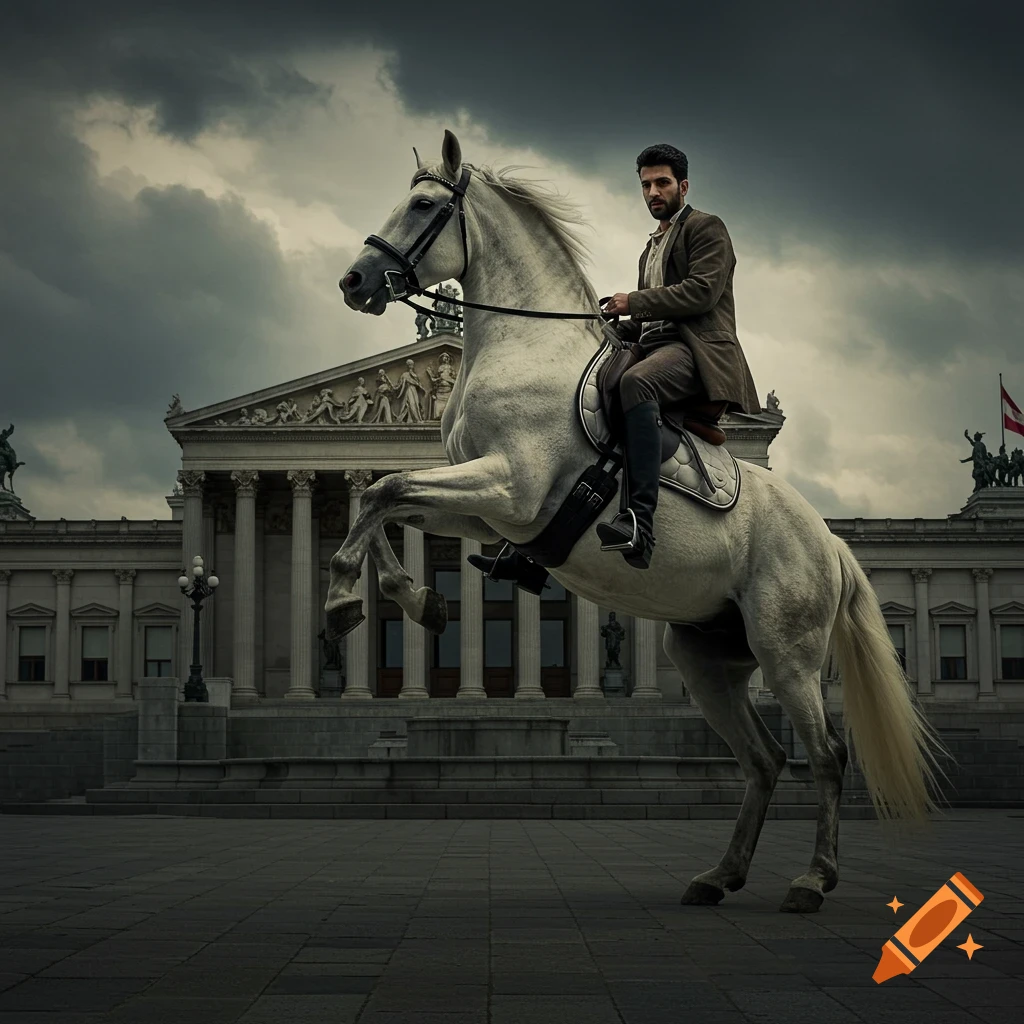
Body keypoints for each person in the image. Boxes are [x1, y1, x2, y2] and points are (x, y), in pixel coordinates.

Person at [596, 144, 760, 568]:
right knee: (587, 384)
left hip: (697, 351)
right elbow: (643, 323)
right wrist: (598, 327)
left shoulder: (707, 228)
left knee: (637, 382)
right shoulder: (649, 249)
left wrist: (631, 300)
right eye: (646, 184)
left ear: (682, 186)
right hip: (655, 347)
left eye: (662, 183)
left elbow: (701, 293)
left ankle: (640, 523)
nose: (653, 191)